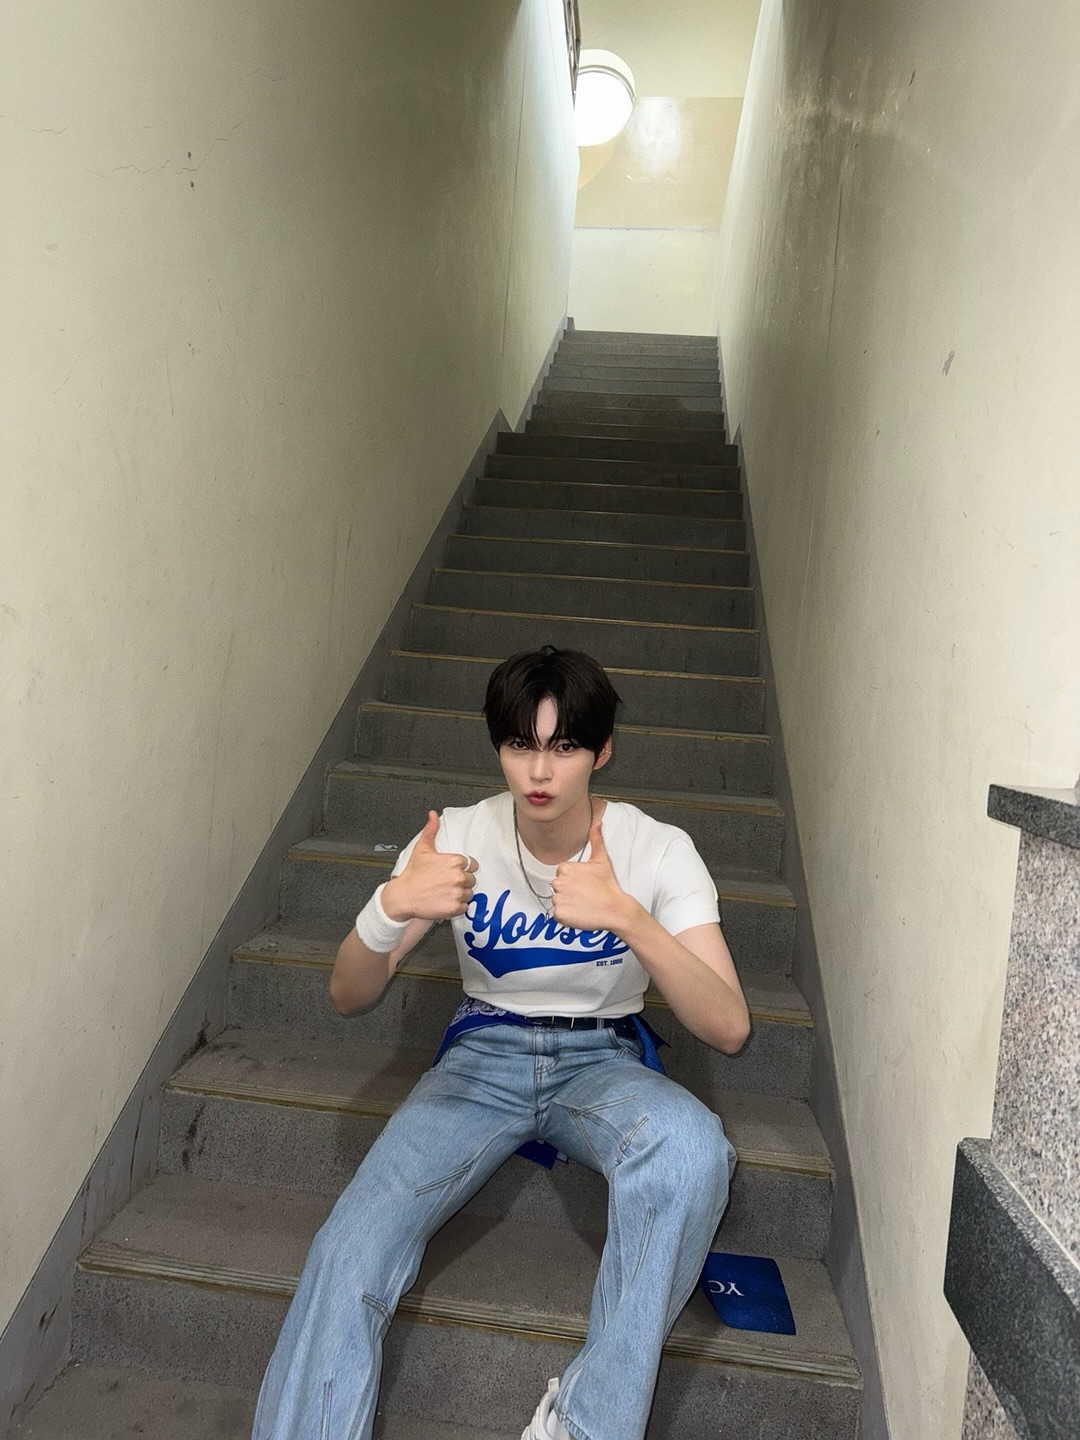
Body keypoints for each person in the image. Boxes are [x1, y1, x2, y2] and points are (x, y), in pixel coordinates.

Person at [252, 646, 750, 1440]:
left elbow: (729, 1026)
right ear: (498, 745)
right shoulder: (455, 835)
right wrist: (389, 906)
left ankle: (583, 1426)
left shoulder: (657, 848)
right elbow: (347, 995)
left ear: (603, 750)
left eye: (564, 746)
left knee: (694, 1150)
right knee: (349, 1245)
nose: (539, 771)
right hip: (480, 1060)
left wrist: (629, 917)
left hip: (600, 1062)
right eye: (521, 744)